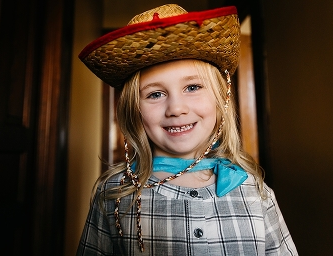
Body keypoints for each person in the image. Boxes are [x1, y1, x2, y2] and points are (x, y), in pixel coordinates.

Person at [76, 4, 297, 255]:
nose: (176, 108)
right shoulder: (114, 195)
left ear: (220, 98)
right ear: (133, 109)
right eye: (155, 94)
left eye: (192, 87)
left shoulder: (257, 193)